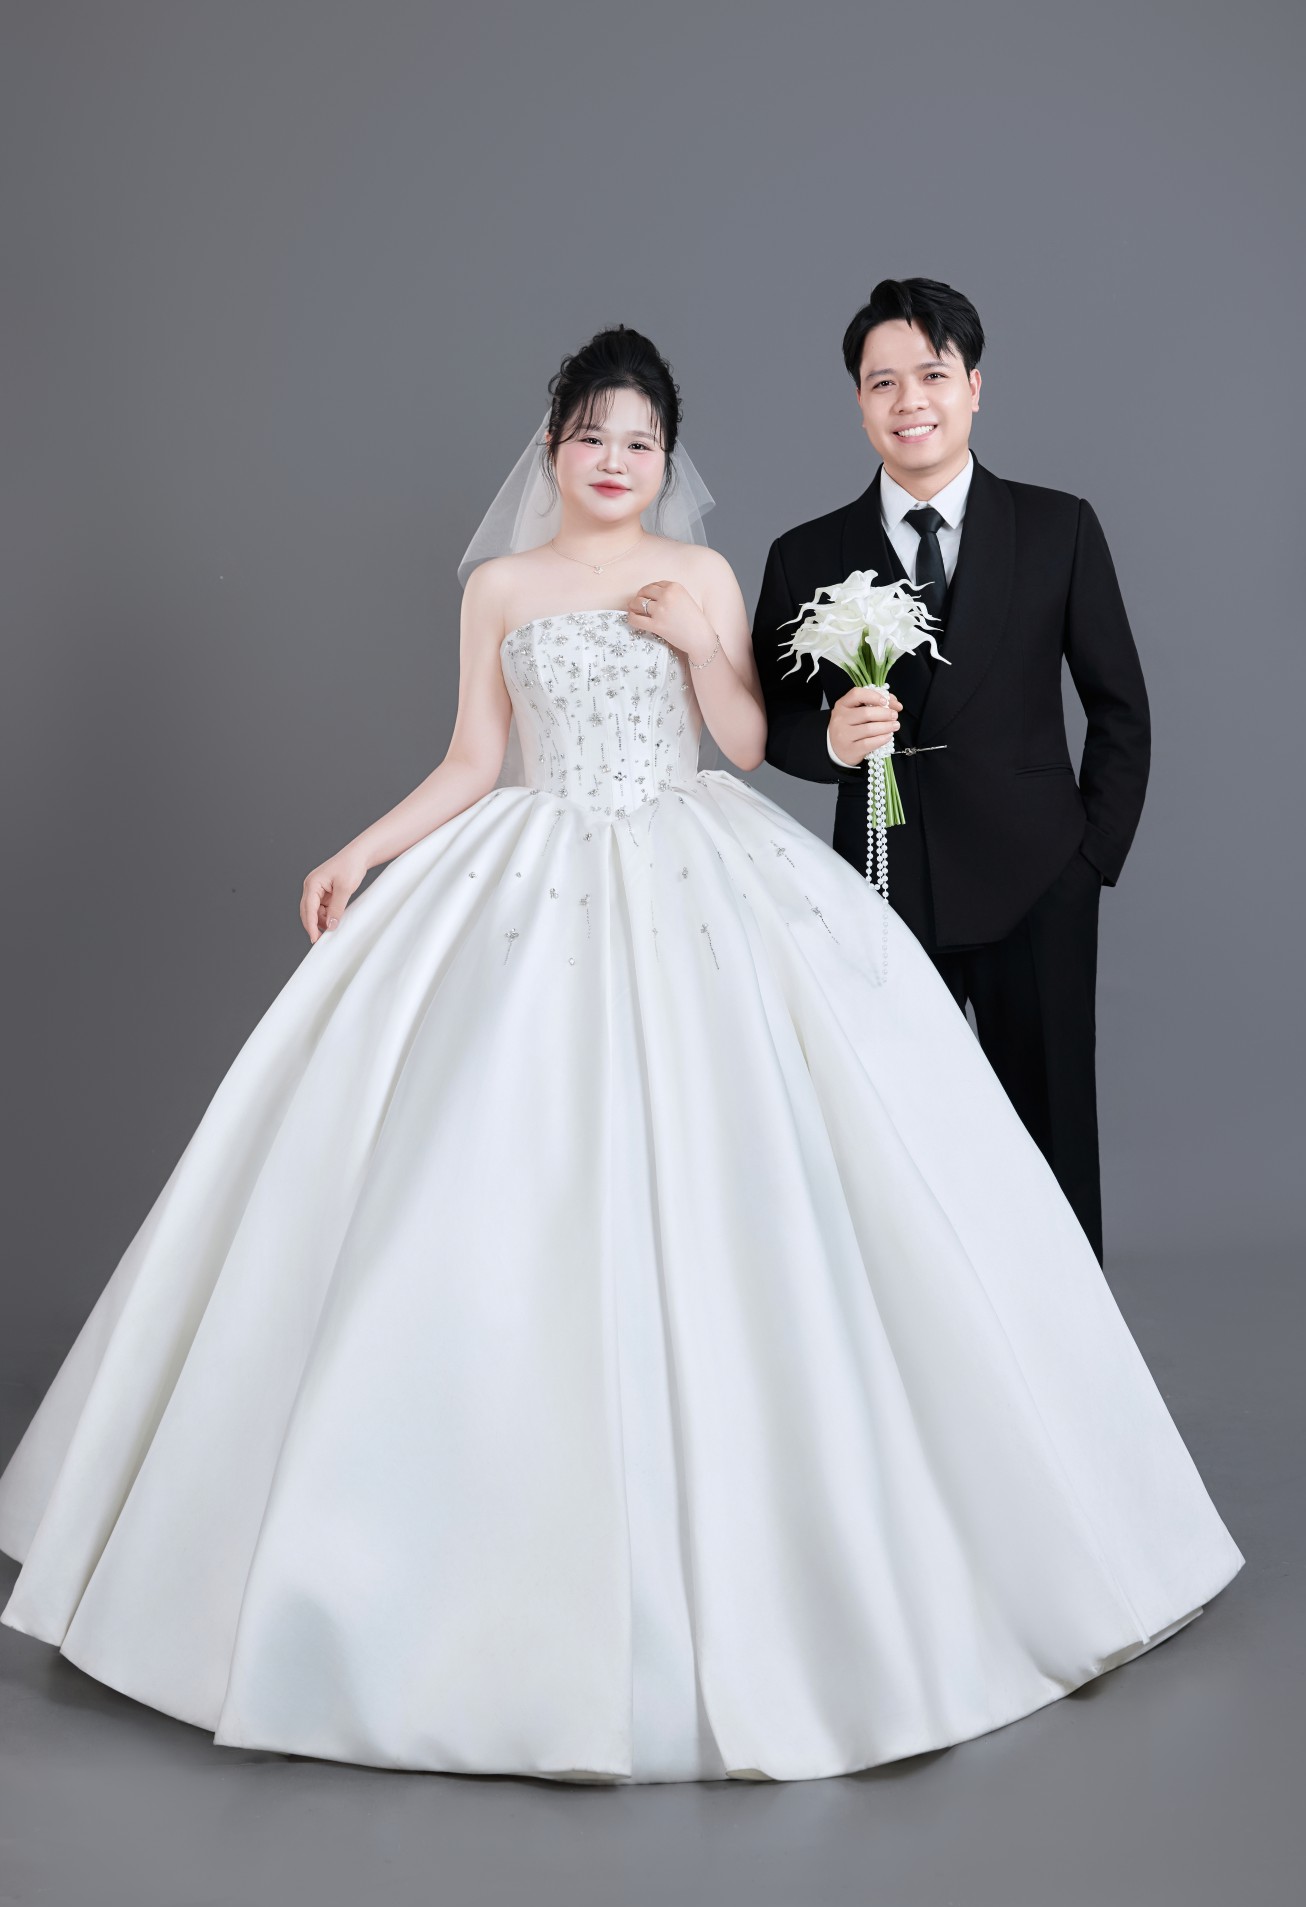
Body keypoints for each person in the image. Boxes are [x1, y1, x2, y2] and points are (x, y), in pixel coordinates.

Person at [0, 325, 1238, 1785]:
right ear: (553, 448)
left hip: (692, 865)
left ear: (666, 459)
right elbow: (473, 761)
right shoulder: (498, 587)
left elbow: (739, 741)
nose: (614, 460)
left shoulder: (703, 573)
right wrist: (359, 851)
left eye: (639, 441)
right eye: (591, 436)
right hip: (532, 874)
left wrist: (701, 644)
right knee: (477, 1182)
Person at [752, 277, 1152, 1261]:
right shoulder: (806, 552)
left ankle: (1063, 1350)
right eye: (881, 382)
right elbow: (770, 721)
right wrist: (831, 741)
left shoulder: (1057, 527)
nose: (909, 401)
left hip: (1037, 883)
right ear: (858, 402)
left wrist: (1087, 862)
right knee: (894, 1153)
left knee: (1053, 1144)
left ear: (973, 386)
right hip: (883, 884)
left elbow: (1119, 709)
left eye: (931, 375)